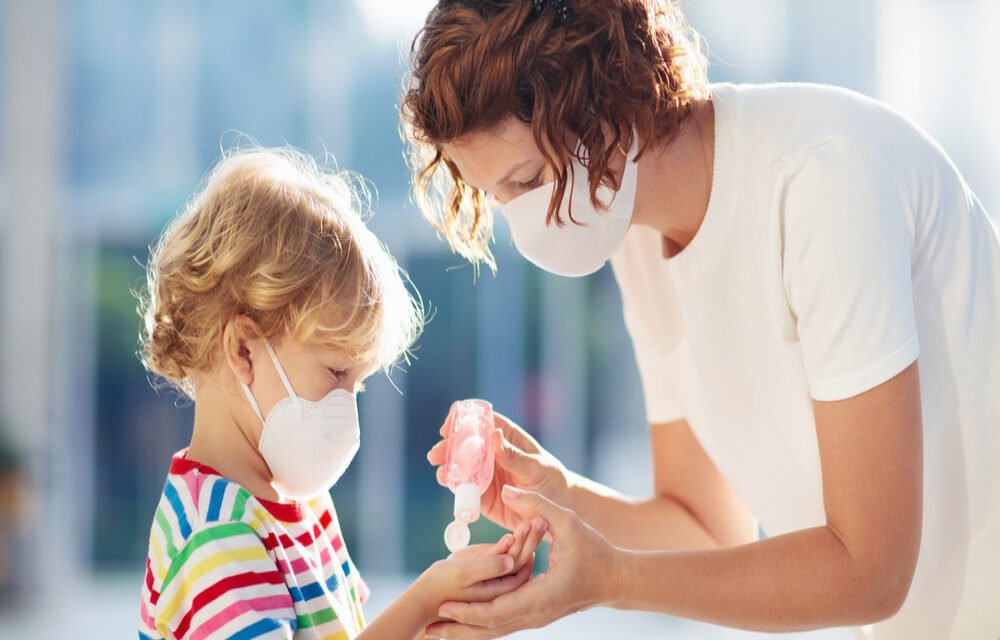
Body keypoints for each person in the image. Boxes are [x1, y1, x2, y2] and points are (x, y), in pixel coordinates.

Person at [401, 0, 1000, 638]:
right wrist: (559, 495)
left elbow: (871, 571)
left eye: (527, 181)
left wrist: (615, 581)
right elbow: (707, 530)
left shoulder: (821, 178)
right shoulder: (632, 230)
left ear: (608, 98)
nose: (521, 225)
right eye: (496, 198)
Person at [135, 147, 546, 639]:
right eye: (335, 372)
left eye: (358, 383)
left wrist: (446, 615)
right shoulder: (213, 537)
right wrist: (423, 600)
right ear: (243, 350)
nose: (347, 409)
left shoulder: (300, 502)